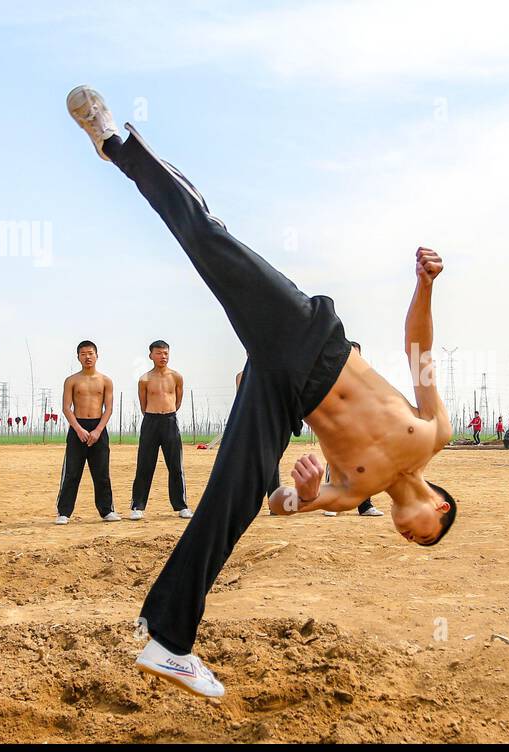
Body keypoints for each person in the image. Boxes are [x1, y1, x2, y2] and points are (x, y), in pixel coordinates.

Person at [67, 86, 457, 698]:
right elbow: (420, 353)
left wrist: (298, 493)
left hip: (281, 394)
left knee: (241, 492)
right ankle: (115, 142)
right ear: (438, 509)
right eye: (423, 536)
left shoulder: (353, 489)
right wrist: (426, 285)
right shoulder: (435, 433)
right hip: (310, 339)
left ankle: (168, 639)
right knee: (208, 239)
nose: (410, 539)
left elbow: (282, 505)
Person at [55, 340, 120, 523]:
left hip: (98, 428)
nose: (87, 357)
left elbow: (108, 408)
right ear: (78, 357)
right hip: (78, 428)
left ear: (97, 356)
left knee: (101, 473)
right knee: (72, 473)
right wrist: (78, 429)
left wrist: (98, 430)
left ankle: (107, 510)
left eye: (90, 353)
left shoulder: (106, 381)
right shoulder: (72, 380)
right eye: (83, 354)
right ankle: (64, 512)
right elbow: (66, 407)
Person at [129, 340, 192, 520]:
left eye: (165, 353)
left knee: (175, 465)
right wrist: (154, 414)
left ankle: (181, 505)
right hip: (150, 421)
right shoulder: (144, 379)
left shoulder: (176, 377)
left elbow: (178, 401)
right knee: (144, 465)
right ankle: (137, 506)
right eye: (158, 353)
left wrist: (168, 412)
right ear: (151, 355)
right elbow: (143, 404)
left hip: (170, 421)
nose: (162, 356)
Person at [321, 342, 384, 517]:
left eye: (357, 355)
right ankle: (331, 503)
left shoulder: (367, 378)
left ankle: (365, 506)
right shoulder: (333, 375)